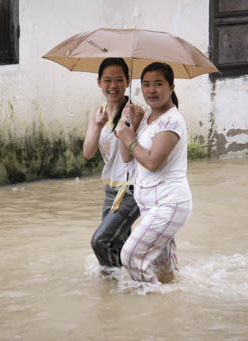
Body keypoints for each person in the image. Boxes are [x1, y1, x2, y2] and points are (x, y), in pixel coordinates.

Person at [114, 62, 193, 284]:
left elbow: (152, 162)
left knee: (130, 256)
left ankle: (151, 302)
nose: (151, 90)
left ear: (172, 87)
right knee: (163, 268)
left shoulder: (172, 121)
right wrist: (129, 125)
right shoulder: (149, 118)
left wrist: (130, 140)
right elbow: (127, 157)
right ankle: (170, 304)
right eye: (146, 84)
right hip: (150, 204)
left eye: (158, 84)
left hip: (170, 203)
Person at [83, 58, 144, 270]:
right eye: (107, 80)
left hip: (130, 190)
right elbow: (88, 152)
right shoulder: (97, 112)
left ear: (128, 81)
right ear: (99, 82)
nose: (113, 86)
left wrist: (129, 125)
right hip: (110, 189)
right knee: (118, 246)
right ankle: (123, 294)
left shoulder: (136, 112)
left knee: (100, 242)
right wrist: (98, 126)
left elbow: (127, 158)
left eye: (119, 79)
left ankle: (124, 284)